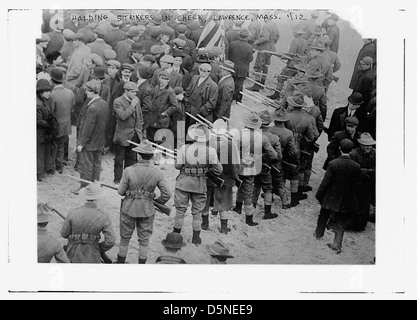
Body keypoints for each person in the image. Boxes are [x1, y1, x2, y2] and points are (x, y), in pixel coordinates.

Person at [117, 140, 171, 264]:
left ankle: (120, 265)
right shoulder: (157, 172)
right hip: (147, 210)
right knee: (144, 241)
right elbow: (167, 194)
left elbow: (120, 192)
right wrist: (155, 201)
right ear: (151, 157)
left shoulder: (128, 170)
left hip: (129, 209)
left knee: (124, 239)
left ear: (138, 155)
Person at [173, 123, 223, 244]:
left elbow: (177, 166)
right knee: (197, 212)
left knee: (180, 211)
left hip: (183, 183)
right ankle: (196, 237)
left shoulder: (184, 148)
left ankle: (175, 236)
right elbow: (219, 170)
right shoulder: (210, 151)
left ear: (194, 136)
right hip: (199, 184)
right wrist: (207, 171)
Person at [314, 139, 361, 254]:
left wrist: (319, 195)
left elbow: (325, 182)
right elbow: (357, 185)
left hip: (331, 196)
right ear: (351, 150)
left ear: (339, 148)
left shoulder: (333, 163)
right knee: (341, 222)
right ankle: (337, 244)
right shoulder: (356, 166)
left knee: (323, 216)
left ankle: (318, 235)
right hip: (346, 198)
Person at [233, 111, 278, 225]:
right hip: (251, 167)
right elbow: (274, 155)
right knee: (248, 191)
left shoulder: (238, 134)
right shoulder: (262, 138)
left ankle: (238, 207)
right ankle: (249, 218)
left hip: (238, 166)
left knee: (240, 186)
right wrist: (259, 157)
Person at [61, 182, 116, 263]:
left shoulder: (72, 212)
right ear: (98, 198)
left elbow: (64, 234)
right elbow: (111, 241)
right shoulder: (104, 216)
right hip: (93, 255)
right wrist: (99, 248)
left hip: (72, 255)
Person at [201, 119, 240, 234]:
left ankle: (204, 224)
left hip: (209, 176)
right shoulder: (230, 143)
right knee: (223, 202)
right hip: (225, 178)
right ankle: (223, 227)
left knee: (206, 201)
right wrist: (235, 176)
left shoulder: (207, 141)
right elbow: (235, 163)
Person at [75, 80, 109, 191]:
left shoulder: (92, 107)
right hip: (99, 141)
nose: (85, 93)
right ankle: (94, 187)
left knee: (86, 166)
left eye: (87, 91)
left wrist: (82, 143)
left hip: (89, 143)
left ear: (91, 91)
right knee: (96, 165)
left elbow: (87, 127)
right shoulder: (104, 104)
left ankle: (84, 188)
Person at [284, 93, 316, 204]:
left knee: (282, 168)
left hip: (284, 145)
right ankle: (294, 197)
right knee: (296, 171)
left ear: (291, 105)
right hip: (297, 147)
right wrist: (300, 141)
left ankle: (278, 193)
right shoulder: (308, 119)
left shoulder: (285, 115)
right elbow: (311, 137)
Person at [112, 81, 144, 186]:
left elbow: (139, 116)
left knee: (131, 159)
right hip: (122, 135)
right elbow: (123, 116)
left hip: (134, 134)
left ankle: (128, 179)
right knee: (119, 159)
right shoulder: (118, 101)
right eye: (132, 92)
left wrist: (140, 129)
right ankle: (117, 180)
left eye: (136, 92)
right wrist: (132, 106)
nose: (135, 94)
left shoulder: (136, 100)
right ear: (126, 91)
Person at [252, 110, 282, 219]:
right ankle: (267, 212)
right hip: (266, 168)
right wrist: (267, 161)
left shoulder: (252, 135)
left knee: (255, 185)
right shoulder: (274, 138)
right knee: (268, 189)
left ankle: (252, 206)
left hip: (253, 166)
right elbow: (278, 156)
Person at [269, 108, 296, 209]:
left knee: (268, 178)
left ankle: (269, 196)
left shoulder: (270, 130)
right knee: (280, 180)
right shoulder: (289, 133)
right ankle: (285, 202)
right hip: (280, 160)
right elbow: (293, 151)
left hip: (268, 158)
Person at [49, 68, 75, 174]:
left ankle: (52, 165)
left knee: (53, 145)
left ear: (52, 80)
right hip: (66, 124)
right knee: (61, 146)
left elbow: (50, 112)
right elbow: (72, 108)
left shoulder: (52, 95)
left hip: (56, 125)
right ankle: (60, 165)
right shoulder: (70, 92)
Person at [349, 133, 376, 231]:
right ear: (360, 144)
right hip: (356, 184)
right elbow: (356, 169)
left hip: (368, 184)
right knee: (355, 204)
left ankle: (360, 225)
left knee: (365, 205)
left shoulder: (374, 153)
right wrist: (371, 171)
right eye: (366, 145)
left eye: (370, 145)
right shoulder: (354, 154)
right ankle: (352, 225)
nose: (368, 147)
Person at [247, 17, 280, 92]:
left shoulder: (266, 26)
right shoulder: (275, 25)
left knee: (258, 66)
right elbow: (278, 36)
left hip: (264, 48)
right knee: (266, 66)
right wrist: (272, 43)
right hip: (272, 48)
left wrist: (256, 42)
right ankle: (262, 83)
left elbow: (265, 38)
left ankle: (257, 84)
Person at [146, 71, 179, 144]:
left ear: (168, 80)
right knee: (151, 137)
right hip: (153, 117)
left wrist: (165, 113)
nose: (163, 80)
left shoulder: (170, 91)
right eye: (162, 78)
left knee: (160, 139)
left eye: (166, 79)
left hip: (161, 119)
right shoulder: (157, 87)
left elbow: (175, 105)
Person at [36, 79, 55, 181]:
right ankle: (39, 173)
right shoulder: (37, 104)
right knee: (40, 151)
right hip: (40, 132)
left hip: (44, 131)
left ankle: (47, 168)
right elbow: (37, 120)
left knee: (46, 149)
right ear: (41, 91)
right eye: (47, 91)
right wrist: (48, 124)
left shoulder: (43, 100)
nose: (49, 93)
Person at [227, 29, 253, 103]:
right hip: (243, 69)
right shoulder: (249, 47)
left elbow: (229, 55)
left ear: (239, 35)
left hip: (233, 67)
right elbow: (250, 59)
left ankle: (231, 98)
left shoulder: (232, 44)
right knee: (240, 85)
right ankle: (238, 99)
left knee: (232, 83)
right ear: (247, 37)